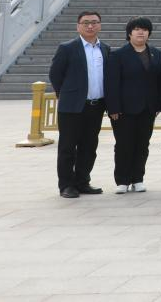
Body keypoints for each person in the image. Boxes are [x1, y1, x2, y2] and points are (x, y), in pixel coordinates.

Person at [49, 11, 110, 198]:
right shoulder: (67, 48)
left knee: (89, 145)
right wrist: (67, 94)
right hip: (72, 107)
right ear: (78, 26)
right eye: (86, 23)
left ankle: (83, 181)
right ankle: (66, 185)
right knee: (68, 146)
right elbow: (55, 75)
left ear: (99, 25)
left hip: (96, 105)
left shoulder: (105, 49)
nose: (90, 26)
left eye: (94, 22)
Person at [105, 17, 161, 194]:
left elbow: (160, 82)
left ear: (149, 33)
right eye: (137, 29)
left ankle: (138, 178)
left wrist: (158, 105)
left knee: (142, 144)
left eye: (145, 29)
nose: (141, 32)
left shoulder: (156, 54)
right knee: (124, 144)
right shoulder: (118, 55)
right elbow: (111, 84)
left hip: (147, 108)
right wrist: (113, 108)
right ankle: (122, 180)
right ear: (129, 33)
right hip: (124, 110)